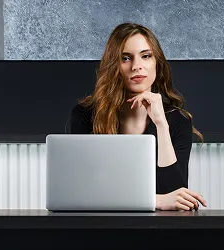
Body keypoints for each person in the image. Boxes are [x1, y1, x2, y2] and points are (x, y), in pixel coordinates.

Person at [68, 22, 207, 211]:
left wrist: (161, 125)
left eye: (146, 56)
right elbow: (79, 192)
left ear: (156, 62)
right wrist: (155, 201)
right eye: (126, 58)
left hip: (156, 230)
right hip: (100, 227)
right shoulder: (85, 115)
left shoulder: (177, 121)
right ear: (113, 66)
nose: (137, 66)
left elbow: (176, 197)